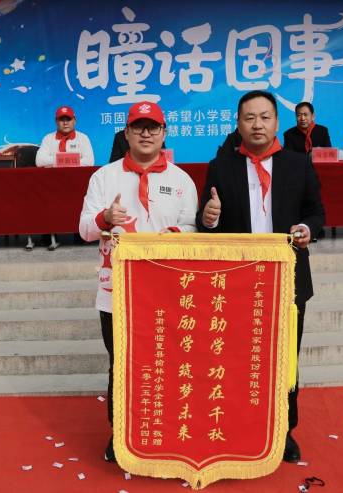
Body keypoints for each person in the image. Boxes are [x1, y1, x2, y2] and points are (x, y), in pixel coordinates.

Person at [196, 90, 325, 463]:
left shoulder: (298, 164)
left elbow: (316, 212)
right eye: (249, 117)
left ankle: (284, 430)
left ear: (276, 122)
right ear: (238, 124)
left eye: (265, 117)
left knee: (285, 359)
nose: (257, 125)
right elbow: (205, 224)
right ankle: (237, 425)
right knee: (237, 358)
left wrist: (306, 228)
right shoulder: (221, 166)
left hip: (288, 278)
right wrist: (210, 218)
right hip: (237, 281)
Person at [79, 101, 198, 464]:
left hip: (168, 291)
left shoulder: (181, 180)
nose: (146, 134)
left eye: (153, 127)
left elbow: (192, 227)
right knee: (123, 364)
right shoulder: (104, 178)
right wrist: (105, 217)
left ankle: (166, 430)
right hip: (117, 292)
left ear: (164, 133)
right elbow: (84, 229)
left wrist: (176, 234)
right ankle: (121, 434)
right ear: (127, 133)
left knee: (168, 361)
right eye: (139, 127)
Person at [33, 105, 95, 251]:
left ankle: (79, 234)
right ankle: (49, 235)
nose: (65, 122)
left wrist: (55, 160)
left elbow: (89, 161)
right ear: (56, 122)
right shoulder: (48, 138)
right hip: (52, 186)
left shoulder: (83, 138)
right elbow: (39, 161)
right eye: (62, 119)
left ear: (75, 120)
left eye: (68, 119)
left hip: (76, 186)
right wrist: (67, 159)